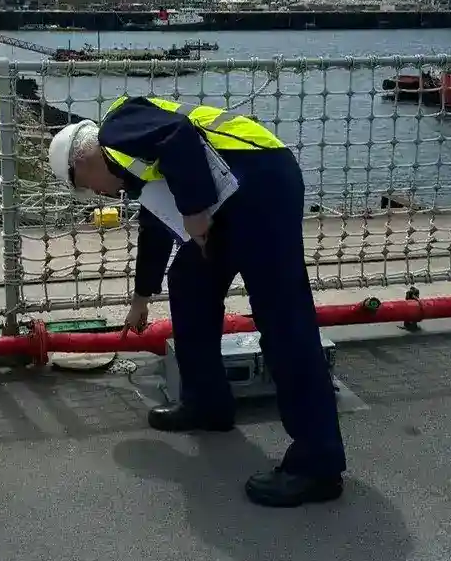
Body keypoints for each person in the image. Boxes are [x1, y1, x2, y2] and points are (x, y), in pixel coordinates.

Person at [48, 95, 346, 508]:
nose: (98, 194)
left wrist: (193, 211)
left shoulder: (116, 129)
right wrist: (141, 296)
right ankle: (207, 402)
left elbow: (180, 135)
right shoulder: (133, 156)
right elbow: (157, 222)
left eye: (87, 187)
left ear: (81, 163)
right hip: (228, 197)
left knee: (283, 321)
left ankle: (319, 464)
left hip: (260, 182)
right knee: (189, 282)